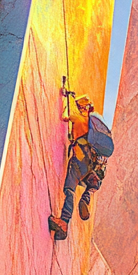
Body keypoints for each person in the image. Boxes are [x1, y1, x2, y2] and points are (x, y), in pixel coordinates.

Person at [48, 92, 103, 241]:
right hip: (90, 164)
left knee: (69, 190)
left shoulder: (77, 118)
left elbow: (64, 116)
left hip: (78, 159)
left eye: (79, 106)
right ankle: (87, 195)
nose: (78, 108)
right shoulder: (93, 125)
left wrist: (64, 98)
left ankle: (64, 222)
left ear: (82, 107)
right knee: (89, 184)